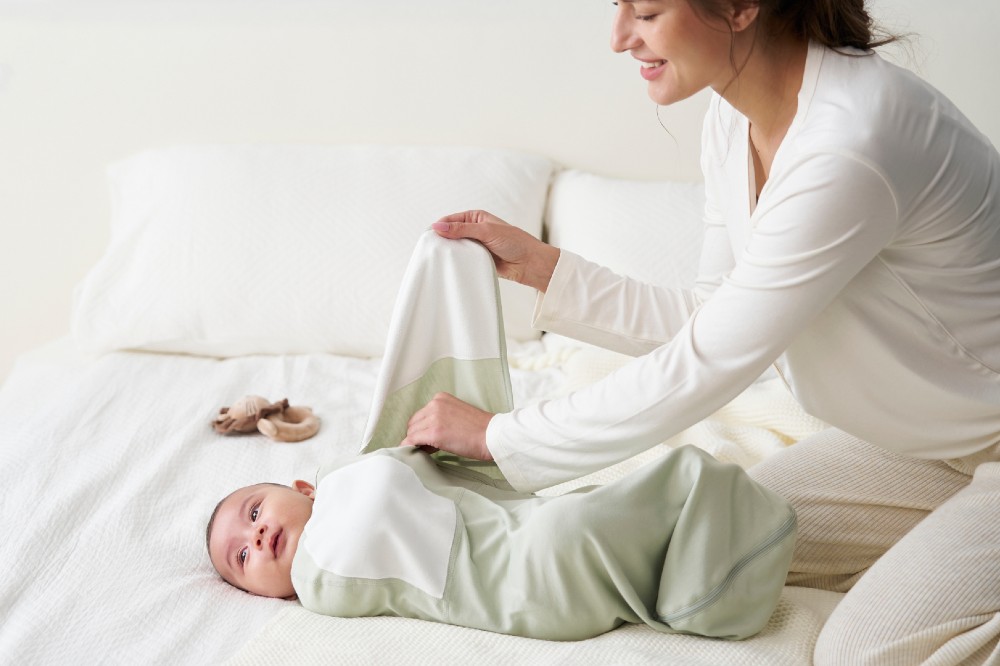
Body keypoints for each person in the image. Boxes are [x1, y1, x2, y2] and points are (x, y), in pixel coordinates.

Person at [399, 0, 1000, 664]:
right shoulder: (733, 120)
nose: (619, 37)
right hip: (935, 444)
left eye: (648, 12)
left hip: (985, 438)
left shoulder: (852, 141)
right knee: (725, 538)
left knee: (860, 651)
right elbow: (713, 319)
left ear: (741, 7)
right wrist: (548, 272)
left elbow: (709, 364)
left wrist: (500, 436)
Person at [205, 444, 797, 641]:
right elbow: (375, 505)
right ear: (265, 593)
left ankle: (709, 562)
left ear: (304, 485)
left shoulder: (343, 484)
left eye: (253, 511)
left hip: (523, 532)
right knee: (665, 488)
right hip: (522, 577)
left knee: (614, 507)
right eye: (242, 558)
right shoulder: (318, 580)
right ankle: (721, 589)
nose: (256, 535)